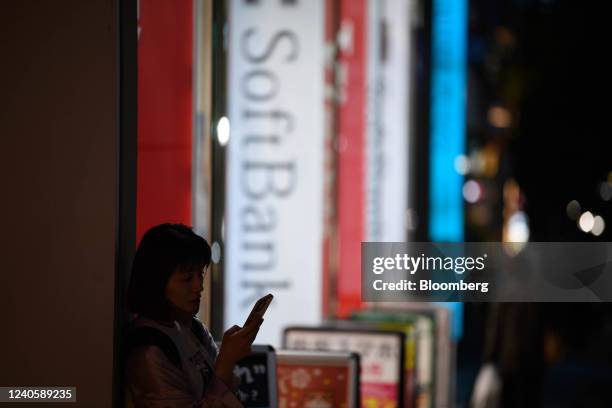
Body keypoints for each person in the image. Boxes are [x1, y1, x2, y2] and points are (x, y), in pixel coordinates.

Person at [124, 223, 262, 407]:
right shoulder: (149, 351)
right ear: (157, 282)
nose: (199, 286)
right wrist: (227, 359)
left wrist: (229, 357)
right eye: (187, 279)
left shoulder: (193, 328)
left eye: (200, 275)